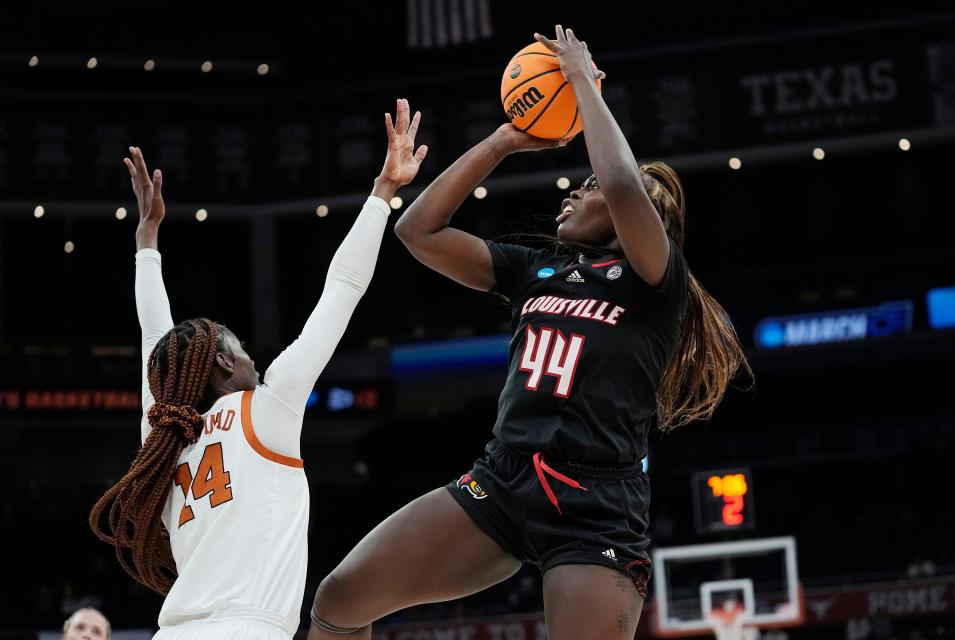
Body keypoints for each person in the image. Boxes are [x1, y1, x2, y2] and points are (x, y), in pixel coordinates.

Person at [307, 26, 749, 640]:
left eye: (589, 187)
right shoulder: (533, 270)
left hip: (597, 507)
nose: (574, 189)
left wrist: (580, 82)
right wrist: (503, 141)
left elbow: (622, 182)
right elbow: (418, 231)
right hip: (503, 478)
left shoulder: (654, 279)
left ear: (641, 220)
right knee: (338, 600)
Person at [88, 99, 428, 639]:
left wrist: (146, 243)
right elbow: (341, 287)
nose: (254, 357)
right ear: (224, 362)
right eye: (243, 347)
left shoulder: (168, 436)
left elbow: (155, 339)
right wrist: (383, 193)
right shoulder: (265, 408)